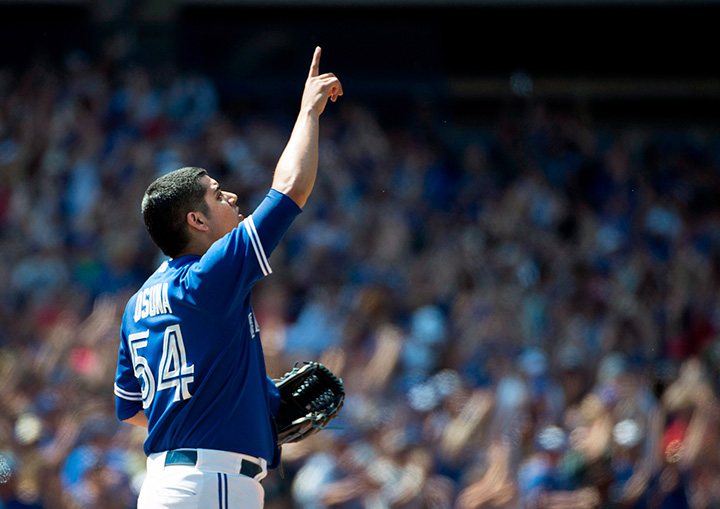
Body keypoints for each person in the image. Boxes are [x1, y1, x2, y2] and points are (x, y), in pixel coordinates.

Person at [113, 47, 342, 508]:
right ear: (197, 222)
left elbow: (133, 410)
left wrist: (243, 405)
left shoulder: (139, 303)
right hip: (212, 484)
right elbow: (291, 189)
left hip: (163, 487)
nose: (232, 197)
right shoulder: (209, 276)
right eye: (217, 195)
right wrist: (308, 112)